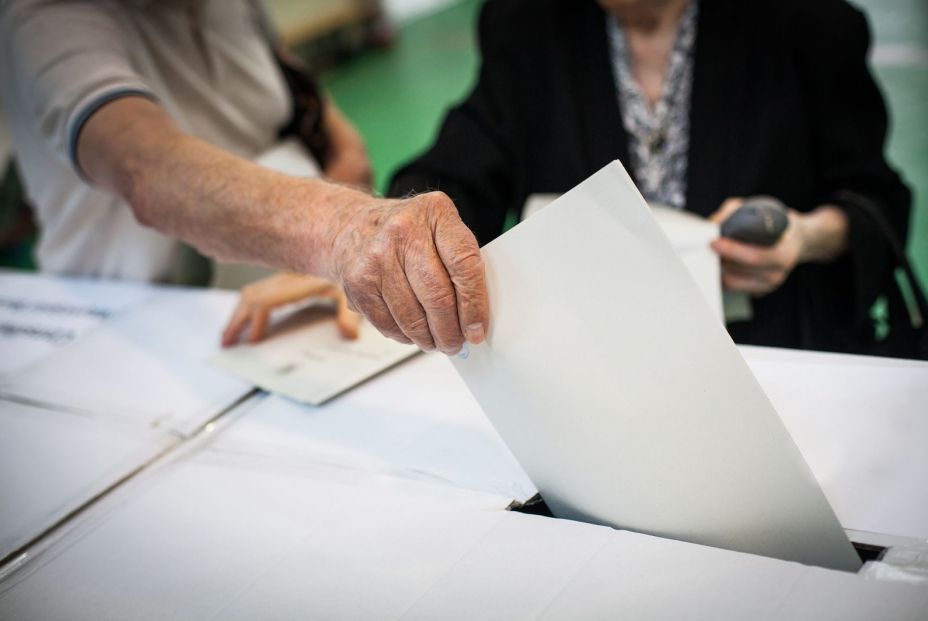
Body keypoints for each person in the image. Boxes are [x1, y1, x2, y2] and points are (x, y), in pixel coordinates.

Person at [383, 0, 914, 356]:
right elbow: (457, 168)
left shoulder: (805, 23)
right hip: (594, 361)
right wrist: (406, 233)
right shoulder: (529, 23)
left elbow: (874, 200)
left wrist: (803, 236)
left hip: (774, 353)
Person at [0, 0, 488, 355]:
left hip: (291, 295)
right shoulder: (41, 21)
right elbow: (147, 168)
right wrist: (347, 233)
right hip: (144, 321)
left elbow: (333, 134)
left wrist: (318, 265)